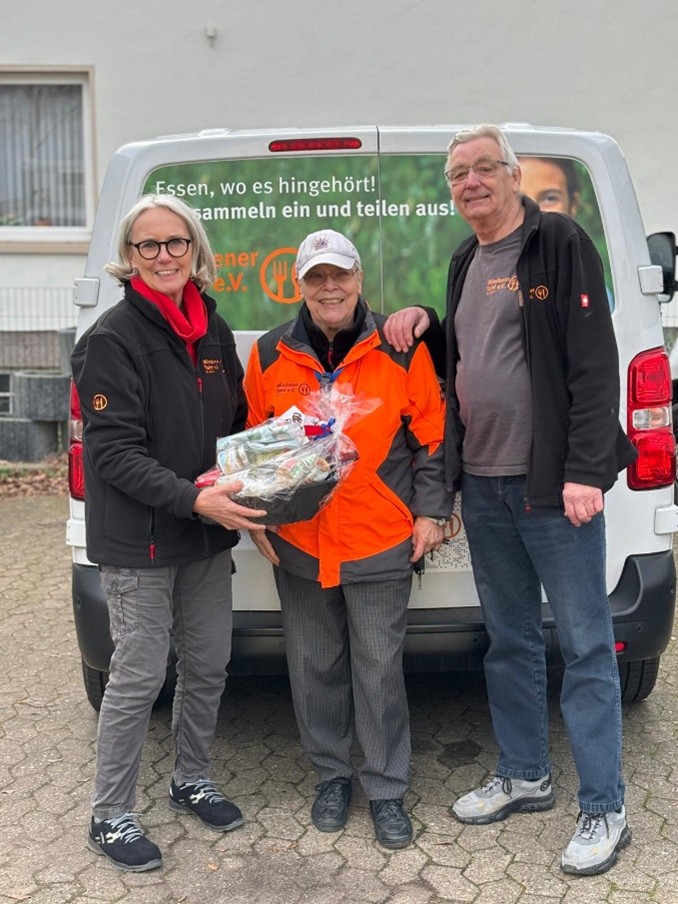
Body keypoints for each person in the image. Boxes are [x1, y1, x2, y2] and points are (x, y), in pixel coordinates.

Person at [384, 125, 636, 876]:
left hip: (554, 489)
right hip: (487, 487)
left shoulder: (557, 241)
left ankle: (605, 807)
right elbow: (473, 354)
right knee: (511, 641)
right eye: (458, 173)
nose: (470, 183)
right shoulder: (466, 258)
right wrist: (424, 321)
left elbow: (594, 363)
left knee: (587, 645)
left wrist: (586, 470)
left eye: (484, 169)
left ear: (513, 175)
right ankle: (525, 774)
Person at [72, 194, 268, 872]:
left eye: (175, 243)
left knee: (209, 662)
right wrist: (195, 500)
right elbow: (114, 454)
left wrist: (294, 464)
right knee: (138, 674)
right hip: (142, 541)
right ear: (129, 258)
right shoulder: (111, 339)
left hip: (203, 534)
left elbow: (239, 424)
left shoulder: (211, 331)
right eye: (148, 246)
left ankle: (191, 778)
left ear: (196, 252)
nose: (163, 256)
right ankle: (111, 815)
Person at [244, 228, 451, 849]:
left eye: (340, 275)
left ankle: (386, 788)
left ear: (359, 279)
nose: (329, 287)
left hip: (379, 537)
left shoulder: (398, 347)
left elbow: (434, 437)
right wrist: (258, 513)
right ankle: (332, 777)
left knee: (380, 668)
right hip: (301, 542)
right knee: (313, 667)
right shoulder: (268, 353)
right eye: (316, 277)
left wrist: (431, 512)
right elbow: (253, 442)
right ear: (300, 285)